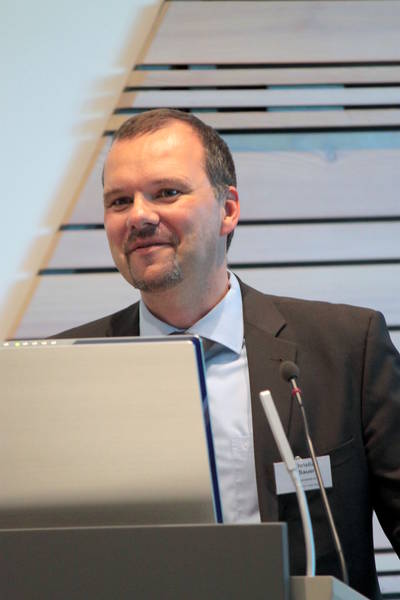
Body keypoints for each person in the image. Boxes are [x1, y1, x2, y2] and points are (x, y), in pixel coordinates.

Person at [56, 108, 400, 599]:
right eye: (119, 201)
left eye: (166, 192)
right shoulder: (63, 371)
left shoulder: (347, 346)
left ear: (228, 209)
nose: (139, 216)